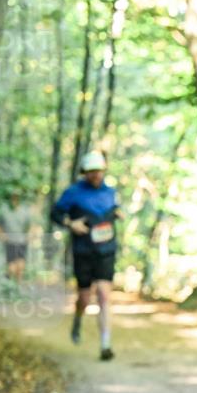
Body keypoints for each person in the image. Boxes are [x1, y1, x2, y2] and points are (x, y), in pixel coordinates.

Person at [51, 151, 122, 361]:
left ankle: (105, 344)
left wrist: (117, 213)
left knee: (103, 294)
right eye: (91, 172)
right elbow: (55, 213)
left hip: (106, 250)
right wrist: (70, 224)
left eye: (98, 171)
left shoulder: (111, 192)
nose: (96, 175)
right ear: (85, 173)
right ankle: (78, 318)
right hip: (83, 251)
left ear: (103, 171)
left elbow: (114, 209)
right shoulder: (73, 193)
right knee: (85, 297)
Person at [0, 192, 33, 284]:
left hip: (22, 242)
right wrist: (2, 236)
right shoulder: (4, 210)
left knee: (20, 266)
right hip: (10, 242)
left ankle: (17, 287)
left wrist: (29, 236)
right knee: (12, 267)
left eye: (17, 197)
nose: (15, 199)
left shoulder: (24, 210)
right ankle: (9, 281)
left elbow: (30, 225)